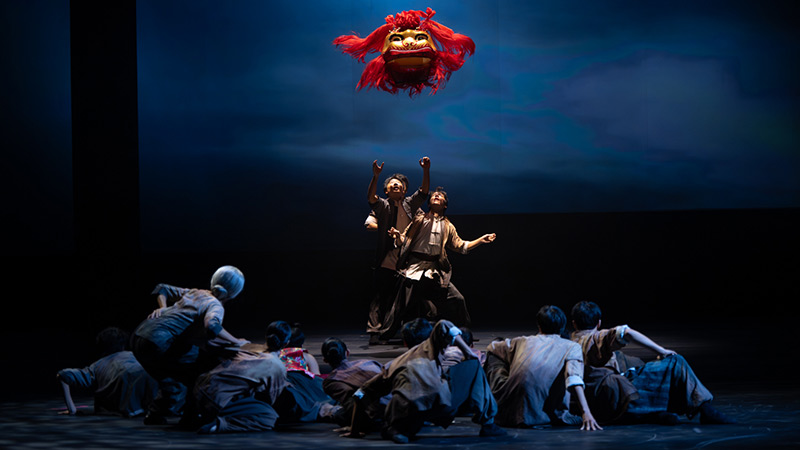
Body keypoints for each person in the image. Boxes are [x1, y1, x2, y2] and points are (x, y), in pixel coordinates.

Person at [569, 301, 736, 425]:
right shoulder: (596, 338)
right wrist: (661, 350)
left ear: (574, 323)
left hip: (596, 402)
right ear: (598, 323)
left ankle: (654, 414)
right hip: (614, 397)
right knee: (675, 361)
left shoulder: (568, 344)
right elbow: (626, 333)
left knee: (634, 368)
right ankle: (703, 407)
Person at [349, 320, 506, 443]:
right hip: (439, 404)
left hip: (407, 412)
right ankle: (488, 424)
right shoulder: (427, 347)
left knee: (409, 399)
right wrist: (468, 352)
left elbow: (360, 394)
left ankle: (398, 430)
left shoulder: (391, 365)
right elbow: (445, 325)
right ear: (430, 337)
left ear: (404, 343)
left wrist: (354, 431)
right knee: (473, 365)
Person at [132, 265, 249, 425]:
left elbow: (162, 288)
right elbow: (212, 326)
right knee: (196, 375)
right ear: (234, 293)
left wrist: (163, 309)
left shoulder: (195, 292)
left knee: (172, 379)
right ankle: (189, 418)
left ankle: (156, 413)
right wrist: (237, 341)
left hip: (139, 335)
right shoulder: (215, 305)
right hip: (157, 342)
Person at [383, 187, 495, 340]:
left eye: (440, 195)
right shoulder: (419, 219)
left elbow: (461, 246)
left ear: (445, 205)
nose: (436, 195)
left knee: (457, 299)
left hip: (434, 270)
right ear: (429, 203)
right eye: (434, 195)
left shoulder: (448, 226)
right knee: (401, 305)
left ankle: (463, 333)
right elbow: (404, 240)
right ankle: (384, 335)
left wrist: (480, 240)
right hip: (415, 269)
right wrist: (397, 236)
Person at [485, 305, 601, 430]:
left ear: (539, 326)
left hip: (508, 413)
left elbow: (492, 347)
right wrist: (586, 413)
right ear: (563, 326)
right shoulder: (572, 347)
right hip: (547, 416)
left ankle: (486, 402)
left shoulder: (522, 341)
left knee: (495, 355)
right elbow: (573, 378)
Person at [367, 157, 430, 344]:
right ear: (386, 191)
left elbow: (424, 192)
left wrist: (426, 170)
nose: (396, 185)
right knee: (380, 296)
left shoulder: (411, 205)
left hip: (407, 259)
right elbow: (371, 199)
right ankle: (374, 331)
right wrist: (375, 176)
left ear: (404, 190)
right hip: (388, 258)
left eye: (400, 184)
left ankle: (404, 332)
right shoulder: (383, 206)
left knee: (407, 298)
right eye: (392, 184)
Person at [57, 327, 161, 418]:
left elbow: (63, 375)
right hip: (153, 403)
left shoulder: (97, 366)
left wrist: (72, 409)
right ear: (123, 344)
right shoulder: (135, 356)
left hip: (122, 411)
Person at [193, 349, 287, 434]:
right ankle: (219, 425)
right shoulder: (276, 364)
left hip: (200, 388)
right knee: (269, 416)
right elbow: (271, 399)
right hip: (216, 399)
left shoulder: (246, 348)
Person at [264, 321, 340, 424]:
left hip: (285, 381)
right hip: (302, 379)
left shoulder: (273, 354)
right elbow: (316, 375)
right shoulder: (306, 356)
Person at [321, 337, 387, 430]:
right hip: (396, 405)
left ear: (325, 360)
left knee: (339, 415)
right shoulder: (369, 362)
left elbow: (353, 401)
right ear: (347, 353)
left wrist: (355, 427)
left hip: (377, 415)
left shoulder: (331, 381)